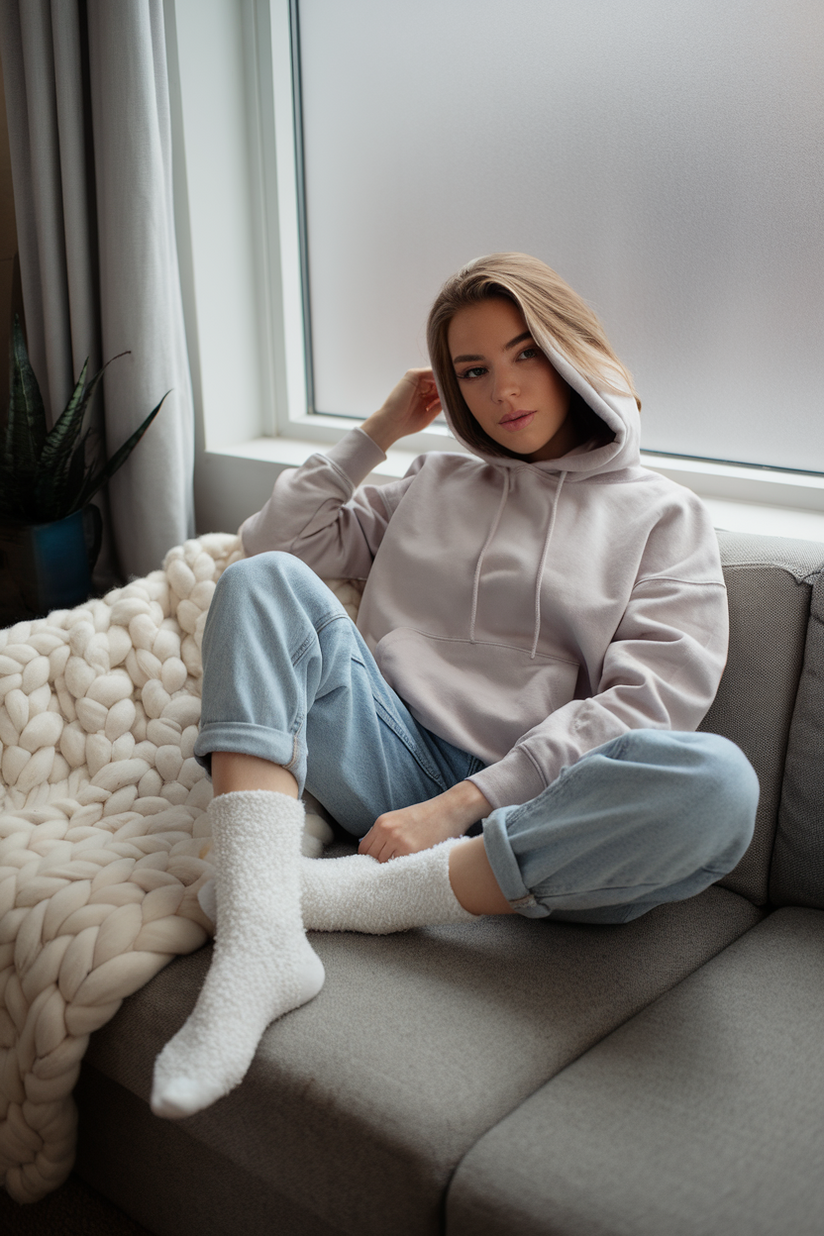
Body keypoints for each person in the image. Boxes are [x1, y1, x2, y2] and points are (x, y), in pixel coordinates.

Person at [151, 252, 759, 1120]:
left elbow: (648, 704)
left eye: (526, 353)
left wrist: (458, 807)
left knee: (720, 785)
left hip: (535, 823)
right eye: (472, 370)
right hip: (387, 759)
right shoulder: (431, 482)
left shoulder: (666, 515)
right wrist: (378, 433)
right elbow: (274, 541)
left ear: (573, 351)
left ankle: (322, 896)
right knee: (261, 584)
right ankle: (260, 935)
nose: (503, 389)